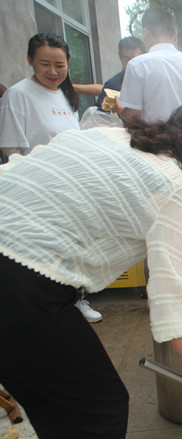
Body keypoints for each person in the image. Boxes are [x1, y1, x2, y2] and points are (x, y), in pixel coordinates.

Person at [0, 101, 182, 439]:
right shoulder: (175, 188)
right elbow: (172, 296)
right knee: (104, 408)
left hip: (13, 258)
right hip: (23, 283)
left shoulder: (111, 135)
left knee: (42, 393)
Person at [0, 32, 104, 323]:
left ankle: (76, 299)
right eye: (44, 64)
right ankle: (45, 305)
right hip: (35, 188)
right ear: (30, 60)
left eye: (60, 65)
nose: (53, 71)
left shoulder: (65, 94)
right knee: (42, 250)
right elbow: (12, 150)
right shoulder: (18, 95)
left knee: (72, 247)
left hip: (69, 185)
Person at [118, 7, 182, 123]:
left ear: (146, 33)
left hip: (155, 134)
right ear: (175, 35)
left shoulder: (137, 65)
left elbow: (133, 115)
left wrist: (119, 108)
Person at [80, 37, 147, 130]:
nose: (130, 64)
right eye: (126, 58)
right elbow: (99, 119)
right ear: (119, 56)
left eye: (135, 59)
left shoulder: (154, 80)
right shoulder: (112, 85)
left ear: (145, 56)